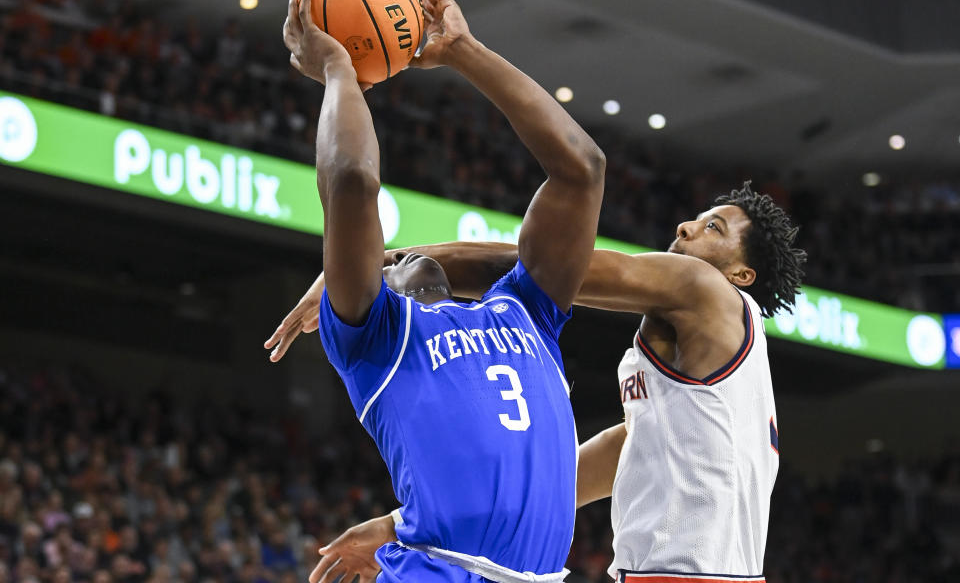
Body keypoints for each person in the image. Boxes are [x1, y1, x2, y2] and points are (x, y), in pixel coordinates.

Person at [266, 183, 805, 582]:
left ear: (741, 276)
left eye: (714, 228)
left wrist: (378, 266)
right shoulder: (718, 370)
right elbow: (628, 448)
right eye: (696, 217)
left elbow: (539, 268)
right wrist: (411, 522)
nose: (687, 227)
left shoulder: (704, 288)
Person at [279, 0, 605, 583]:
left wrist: (464, 51)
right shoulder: (375, 338)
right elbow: (351, 181)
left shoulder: (525, 308)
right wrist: (339, 71)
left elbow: (582, 169)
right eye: (387, 258)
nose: (400, 256)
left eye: (399, 251)